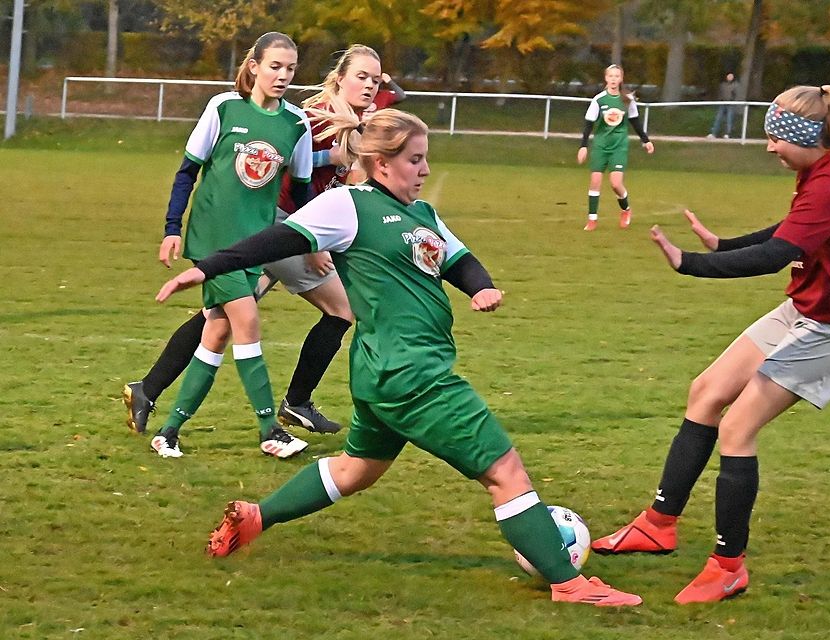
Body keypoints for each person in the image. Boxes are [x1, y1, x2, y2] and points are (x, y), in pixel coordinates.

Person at [155, 109, 644, 608]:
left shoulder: (423, 215)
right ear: (381, 164)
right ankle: (570, 583)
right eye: (415, 159)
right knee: (506, 473)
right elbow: (273, 241)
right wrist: (207, 269)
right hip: (413, 374)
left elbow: (459, 259)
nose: (425, 170)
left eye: (426, 158)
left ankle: (256, 516)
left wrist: (482, 287)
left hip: (386, 371)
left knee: (355, 470)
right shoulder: (348, 206)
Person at [591, 85, 830, 604]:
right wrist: (726, 243)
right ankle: (659, 524)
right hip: (805, 309)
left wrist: (691, 263)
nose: (769, 148)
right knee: (706, 392)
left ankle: (728, 567)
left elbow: (778, 254)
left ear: (803, 136)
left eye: (774, 138)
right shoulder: (821, 170)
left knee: (738, 426)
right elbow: (792, 230)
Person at [124, 45, 388, 440]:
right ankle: (289, 409)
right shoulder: (314, 118)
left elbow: (344, 182)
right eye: (362, 76)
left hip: (282, 228)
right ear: (339, 78)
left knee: (219, 318)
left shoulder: (354, 122)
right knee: (340, 309)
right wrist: (314, 230)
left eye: (375, 79)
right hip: (282, 227)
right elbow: (288, 168)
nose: (369, 84)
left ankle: (149, 389)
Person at [139, 32, 315, 459]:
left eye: (290, 68)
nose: (283, 76)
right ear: (254, 66)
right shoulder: (223, 107)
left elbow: (306, 190)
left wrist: (315, 240)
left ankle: (170, 431)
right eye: (274, 66)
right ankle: (269, 428)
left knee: (216, 333)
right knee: (247, 321)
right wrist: (171, 228)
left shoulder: (297, 124)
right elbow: (187, 172)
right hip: (211, 240)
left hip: (254, 245)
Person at [577, 64, 655, 231]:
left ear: (621, 79)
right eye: (610, 76)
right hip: (600, 145)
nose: (613, 79)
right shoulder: (599, 100)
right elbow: (588, 124)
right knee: (595, 181)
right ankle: (592, 220)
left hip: (619, 146)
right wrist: (583, 146)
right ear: (606, 78)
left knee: (615, 183)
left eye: (616, 76)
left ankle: (626, 210)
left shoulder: (627, 100)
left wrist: (645, 140)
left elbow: (635, 121)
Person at [707, 72, 739, 139]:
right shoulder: (722, 85)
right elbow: (720, 94)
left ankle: (727, 134)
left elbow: (737, 95)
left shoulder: (735, 85)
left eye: (731, 76)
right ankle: (714, 133)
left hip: (730, 104)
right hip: (722, 103)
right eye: (729, 76)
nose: (730, 78)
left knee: (729, 119)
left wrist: (734, 101)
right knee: (718, 118)